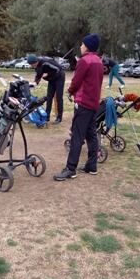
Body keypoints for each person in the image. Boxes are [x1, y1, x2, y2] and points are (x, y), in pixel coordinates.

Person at [54, 34, 104, 181]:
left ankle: (70, 169)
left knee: (77, 136)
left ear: (88, 46)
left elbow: (76, 81)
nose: (81, 46)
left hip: (83, 103)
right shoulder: (98, 61)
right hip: (94, 103)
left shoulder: (84, 61)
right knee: (91, 135)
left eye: (82, 44)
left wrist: (70, 91)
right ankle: (91, 165)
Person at [27, 54, 65, 124]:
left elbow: (58, 69)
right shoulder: (36, 67)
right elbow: (38, 75)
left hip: (59, 77)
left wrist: (48, 74)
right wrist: (35, 82)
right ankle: (47, 117)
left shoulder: (45, 62)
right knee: (49, 97)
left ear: (35, 62)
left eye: (31, 64)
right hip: (51, 80)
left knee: (59, 97)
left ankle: (59, 118)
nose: (31, 66)